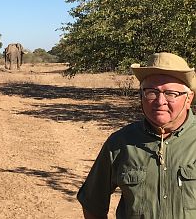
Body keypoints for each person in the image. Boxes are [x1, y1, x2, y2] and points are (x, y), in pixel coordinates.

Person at [77, 52, 196, 219]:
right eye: (151, 92)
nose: (160, 101)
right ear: (141, 95)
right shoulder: (120, 143)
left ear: (189, 98)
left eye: (171, 93)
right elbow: (92, 203)